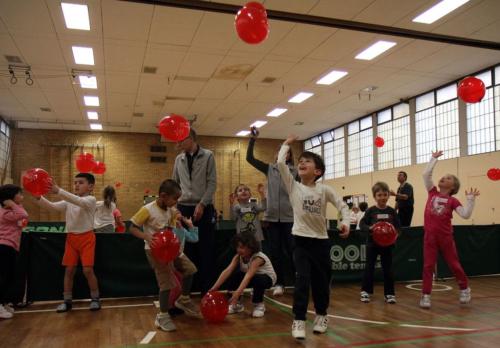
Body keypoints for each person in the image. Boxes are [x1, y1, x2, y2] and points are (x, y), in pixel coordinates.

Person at [277, 134, 349, 340]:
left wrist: (345, 223)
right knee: (302, 279)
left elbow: (343, 206)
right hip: (300, 241)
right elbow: (281, 163)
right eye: (300, 161)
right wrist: (286, 144)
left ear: (317, 171)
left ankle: (321, 315)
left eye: (307, 161)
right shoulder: (293, 186)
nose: (301, 163)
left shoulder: (324, 189)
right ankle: (299, 319)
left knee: (321, 282)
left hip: (321, 242)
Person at [419, 150, 479, 309]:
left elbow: (465, 215)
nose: (444, 178)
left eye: (448, 178)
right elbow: (426, 174)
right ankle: (425, 295)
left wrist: (471, 200)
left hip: (445, 238)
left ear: (453, 187)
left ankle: (465, 288)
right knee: (428, 266)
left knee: (454, 265)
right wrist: (433, 159)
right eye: (443, 177)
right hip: (429, 237)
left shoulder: (453, 200)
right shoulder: (432, 192)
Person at [36, 173, 100, 312]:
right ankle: (67, 301)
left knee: (88, 270)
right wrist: (37, 197)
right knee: (69, 270)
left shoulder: (91, 200)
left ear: (90, 186)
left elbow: (79, 201)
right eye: (75, 182)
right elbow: (52, 207)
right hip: (71, 239)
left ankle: (95, 298)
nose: (76, 185)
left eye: (80, 182)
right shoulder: (69, 201)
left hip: (87, 238)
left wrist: (58, 190)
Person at [246, 127, 297, 296]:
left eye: (286, 152)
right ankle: (280, 283)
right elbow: (249, 158)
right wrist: (253, 140)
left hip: (290, 219)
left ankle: (297, 282)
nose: (281, 155)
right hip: (272, 219)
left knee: (292, 251)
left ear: (289, 156)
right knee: (275, 253)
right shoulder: (269, 169)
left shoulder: (295, 172)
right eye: (280, 152)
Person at [129, 179, 181, 331]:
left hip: (167, 252)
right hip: (152, 251)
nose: (176, 202)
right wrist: (147, 237)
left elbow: (170, 231)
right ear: (163, 196)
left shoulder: (171, 211)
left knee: (173, 284)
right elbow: (132, 228)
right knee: (165, 283)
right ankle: (162, 316)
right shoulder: (147, 209)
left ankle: (172, 307)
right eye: (175, 199)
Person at [173, 128, 217, 294]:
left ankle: (207, 291)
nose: (177, 144)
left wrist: (202, 204)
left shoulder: (208, 155)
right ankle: (185, 293)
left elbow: (212, 183)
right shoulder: (179, 159)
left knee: (206, 250)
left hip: (204, 208)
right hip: (183, 208)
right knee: (186, 252)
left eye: (180, 141)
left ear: (190, 138)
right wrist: (175, 208)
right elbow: (175, 184)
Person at [210, 232, 276, 318]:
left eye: (242, 247)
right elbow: (227, 271)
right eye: (237, 247)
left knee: (258, 279)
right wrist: (214, 288)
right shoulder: (238, 257)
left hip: (267, 279)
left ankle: (259, 305)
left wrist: (237, 294)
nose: (238, 250)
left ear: (250, 247)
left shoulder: (258, 258)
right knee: (235, 276)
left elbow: (248, 276)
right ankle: (237, 305)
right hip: (252, 277)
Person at [359, 182, 400, 304]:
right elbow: (362, 224)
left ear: (388, 196)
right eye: (379, 195)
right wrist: (370, 228)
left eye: (385, 194)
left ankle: (389, 294)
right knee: (369, 268)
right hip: (372, 244)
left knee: (388, 269)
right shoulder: (370, 211)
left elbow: (398, 227)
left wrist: (395, 235)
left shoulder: (392, 211)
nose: (382, 197)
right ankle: (365, 292)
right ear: (374, 196)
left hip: (387, 246)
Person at [0, 185, 28, 319]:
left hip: (11, 247)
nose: (22, 197)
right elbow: (23, 214)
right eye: (20, 194)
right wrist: (11, 203)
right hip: (3, 247)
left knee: (9, 277)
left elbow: (22, 219)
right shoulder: (4, 212)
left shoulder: (10, 210)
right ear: (10, 197)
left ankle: (4, 302)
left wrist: (14, 204)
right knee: (3, 277)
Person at [171, 209, 201, 317]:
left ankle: (181, 301)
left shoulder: (181, 229)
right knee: (173, 284)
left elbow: (194, 238)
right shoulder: (170, 229)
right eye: (176, 216)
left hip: (179, 255)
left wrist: (191, 225)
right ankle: (171, 307)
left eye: (179, 214)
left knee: (186, 275)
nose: (178, 219)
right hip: (171, 257)